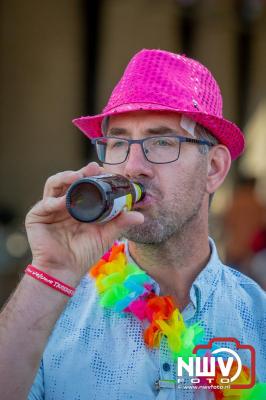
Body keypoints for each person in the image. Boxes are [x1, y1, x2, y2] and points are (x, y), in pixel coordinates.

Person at [0, 49, 265, 400]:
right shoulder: (51, 308)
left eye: (162, 142)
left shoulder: (257, 317)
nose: (132, 166)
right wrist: (50, 271)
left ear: (213, 169)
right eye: (118, 143)